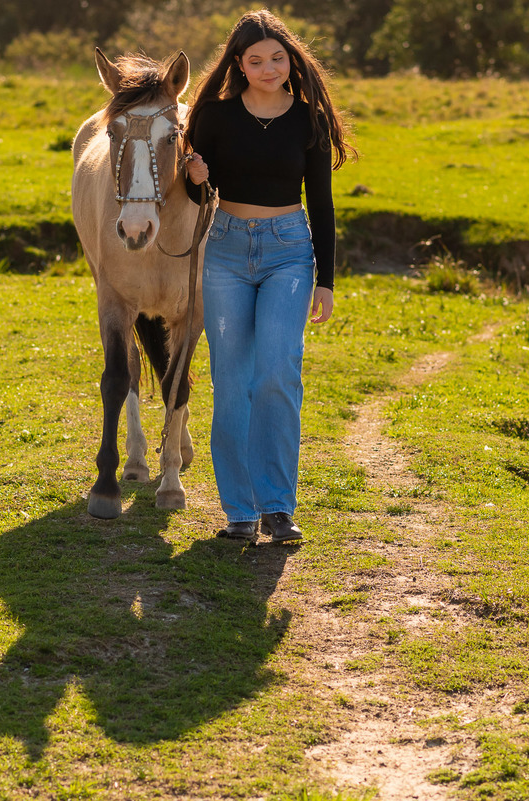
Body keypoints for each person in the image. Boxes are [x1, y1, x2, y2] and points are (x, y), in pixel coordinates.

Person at [184, 9, 356, 545]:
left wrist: (325, 279)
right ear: (239, 64)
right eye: (255, 60)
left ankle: (278, 508)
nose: (267, 67)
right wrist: (193, 177)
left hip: (288, 251)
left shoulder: (309, 120)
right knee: (231, 383)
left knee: (277, 374)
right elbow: (196, 197)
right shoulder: (213, 116)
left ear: (291, 60)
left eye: (277, 58)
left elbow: (322, 204)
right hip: (227, 251)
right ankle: (239, 511)